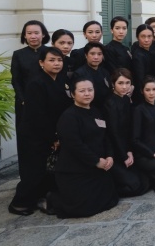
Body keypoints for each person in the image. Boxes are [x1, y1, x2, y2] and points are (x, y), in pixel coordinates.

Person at [9, 47, 72, 216]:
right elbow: (38, 115)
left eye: (59, 60)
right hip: (34, 134)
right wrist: (53, 137)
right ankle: (19, 204)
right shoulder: (36, 83)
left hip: (51, 132)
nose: (56, 63)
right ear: (41, 63)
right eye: (51, 60)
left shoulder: (61, 80)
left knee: (46, 170)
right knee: (33, 171)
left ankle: (40, 198)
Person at [47, 78, 119, 218]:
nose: (87, 94)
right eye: (82, 91)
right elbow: (74, 145)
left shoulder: (96, 111)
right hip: (76, 170)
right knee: (84, 209)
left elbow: (106, 137)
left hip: (97, 169)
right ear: (73, 94)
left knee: (111, 200)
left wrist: (110, 156)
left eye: (90, 90)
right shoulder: (68, 117)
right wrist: (96, 161)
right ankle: (52, 199)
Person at [104, 69, 150, 197]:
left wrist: (129, 150)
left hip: (126, 148)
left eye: (127, 83)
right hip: (115, 152)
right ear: (113, 84)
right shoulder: (110, 103)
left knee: (145, 182)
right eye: (120, 83)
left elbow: (128, 129)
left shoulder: (124, 99)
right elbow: (114, 133)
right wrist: (124, 155)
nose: (124, 87)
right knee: (135, 186)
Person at [11, 20, 50, 127]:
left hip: (48, 100)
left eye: (36, 33)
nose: (33, 36)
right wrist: (22, 100)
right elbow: (16, 80)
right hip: (26, 102)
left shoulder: (51, 52)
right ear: (24, 36)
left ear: (43, 35)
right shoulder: (18, 54)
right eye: (29, 33)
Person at [74, 42, 111, 110]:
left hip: (105, 108)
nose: (96, 57)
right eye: (92, 54)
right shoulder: (79, 73)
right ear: (86, 55)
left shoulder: (105, 72)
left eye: (99, 54)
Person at [131, 24, 155, 104]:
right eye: (143, 36)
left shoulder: (152, 51)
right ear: (137, 37)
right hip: (143, 94)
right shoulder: (138, 55)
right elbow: (140, 79)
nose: (146, 40)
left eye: (149, 36)